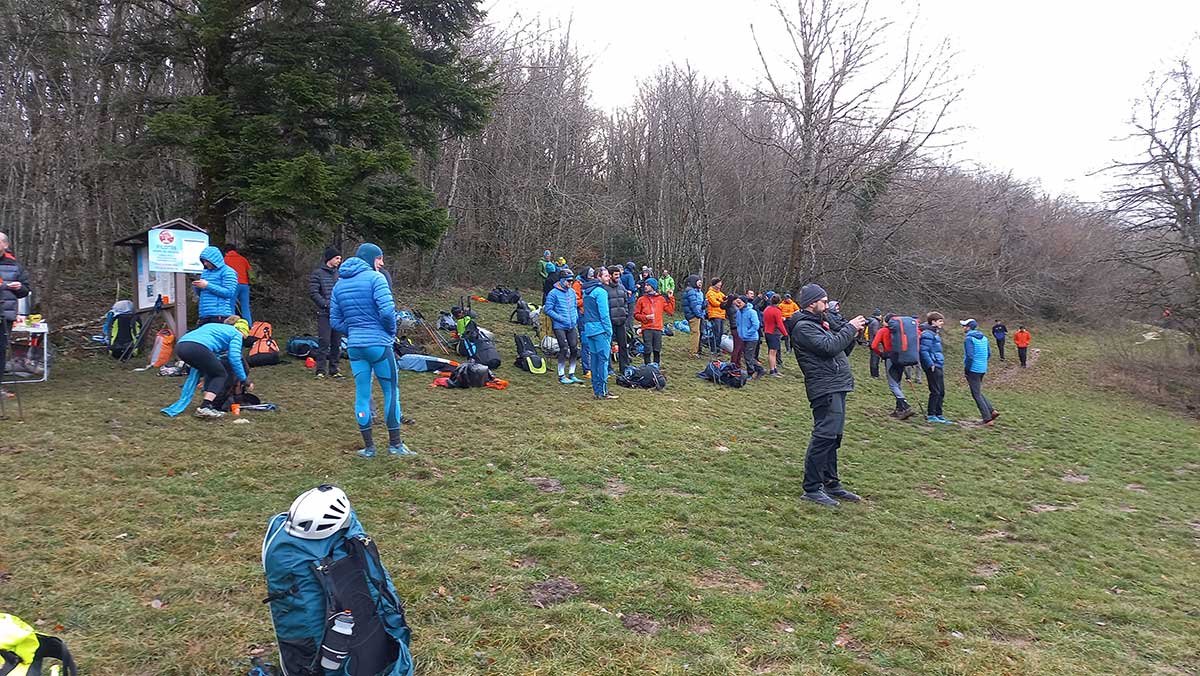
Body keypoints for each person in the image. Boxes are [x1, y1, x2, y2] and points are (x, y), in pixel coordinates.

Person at [330, 243, 413, 458]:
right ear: (370, 259)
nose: (382, 263)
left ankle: (369, 448)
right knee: (391, 392)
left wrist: (355, 331)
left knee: (362, 394)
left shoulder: (339, 284)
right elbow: (387, 312)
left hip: (355, 348)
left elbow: (335, 321)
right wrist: (389, 331)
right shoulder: (377, 279)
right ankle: (395, 445)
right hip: (379, 345)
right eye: (379, 258)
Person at [790, 283, 868, 507]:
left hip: (836, 385)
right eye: (823, 301)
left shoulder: (820, 324)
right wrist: (849, 328)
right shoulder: (803, 327)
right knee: (824, 436)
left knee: (834, 437)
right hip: (824, 387)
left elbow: (840, 350)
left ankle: (831, 482)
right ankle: (812, 488)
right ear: (811, 303)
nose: (827, 305)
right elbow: (828, 347)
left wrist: (853, 335)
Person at [173, 316, 253, 418]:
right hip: (198, 347)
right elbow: (235, 358)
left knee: (212, 372)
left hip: (181, 346)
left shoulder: (214, 327)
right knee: (220, 374)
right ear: (243, 332)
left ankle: (209, 403)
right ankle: (205, 407)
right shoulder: (236, 333)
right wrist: (244, 380)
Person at [0, 232, 31, 399]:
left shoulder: (15, 265)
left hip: (5, 315)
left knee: (0, 351)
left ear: (5, 245)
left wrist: (19, 287)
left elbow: (25, 291)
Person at [870, 313, 915, 420]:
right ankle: (899, 410)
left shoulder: (883, 331)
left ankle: (905, 405)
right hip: (901, 358)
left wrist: (881, 354)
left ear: (886, 321)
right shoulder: (901, 331)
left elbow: (874, 345)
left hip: (890, 358)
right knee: (898, 383)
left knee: (893, 385)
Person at [308, 246, 344, 379]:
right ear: (330, 258)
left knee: (336, 343)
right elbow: (313, 292)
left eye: (340, 258)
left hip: (338, 314)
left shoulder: (340, 274)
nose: (339, 261)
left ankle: (334, 369)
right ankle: (321, 370)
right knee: (324, 342)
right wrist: (325, 304)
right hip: (324, 313)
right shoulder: (317, 273)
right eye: (337, 258)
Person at [582, 267, 617, 400]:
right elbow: (604, 314)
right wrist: (609, 330)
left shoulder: (586, 292)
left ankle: (597, 390)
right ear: (598, 277)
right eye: (606, 276)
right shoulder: (601, 292)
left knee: (595, 361)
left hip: (589, 329)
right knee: (603, 361)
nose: (609, 278)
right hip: (600, 330)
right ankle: (603, 391)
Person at [544, 268, 582, 384]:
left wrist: (575, 317)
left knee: (574, 349)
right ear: (562, 280)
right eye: (568, 281)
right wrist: (560, 318)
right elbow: (548, 309)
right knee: (564, 348)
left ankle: (572, 373)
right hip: (559, 326)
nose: (570, 283)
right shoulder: (553, 293)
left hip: (572, 325)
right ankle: (561, 375)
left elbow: (574, 306)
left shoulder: (572, 292)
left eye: (571, 281)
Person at [962, 318, 999, 425]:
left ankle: (987, 419)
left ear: (969, 327)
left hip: (973, 369)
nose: (963, 328)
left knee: (976, 394)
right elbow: (989, 353)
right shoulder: (984, 338)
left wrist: (967, 368)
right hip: (982, 368)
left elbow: (969, 356)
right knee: (978, 391)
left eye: (964, 326)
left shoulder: (968, 339)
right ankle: (991, 411)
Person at [919, 312, 953, 424]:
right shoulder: (927, 334)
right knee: (935, 390)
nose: (942, 323)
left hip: (938, 364)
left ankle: (939, 414)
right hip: (933, 365)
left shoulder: (935, 333)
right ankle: (931, 414)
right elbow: (923, 350)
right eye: (940, 321)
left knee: (941, 391)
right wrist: (930, 364)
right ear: (933, 322)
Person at [193, 245, 239, 326]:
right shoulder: (205, 272)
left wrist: (207, 285)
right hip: (204, 314)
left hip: (220, 315)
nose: (205, 263)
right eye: (203, 261)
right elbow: (202, 294)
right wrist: (197, 287)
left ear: (214, 260)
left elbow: (229, 293)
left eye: (207, 261)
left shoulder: (228, 272)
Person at [633, 278, 675, 366]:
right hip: (646, 328)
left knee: (657, 349)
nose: (645, 286)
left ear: (653, 286)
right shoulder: (641, 299)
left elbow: (670, 311)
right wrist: (645, 317)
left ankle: (656, 367)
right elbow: (636, 315)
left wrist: (671, 298)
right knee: (647, 349)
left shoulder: (661, 299)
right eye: (645, 285)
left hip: (658, 328)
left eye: (648, 285)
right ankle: (647, 367)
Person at [606, 265, 631, 372]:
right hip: (609, 322)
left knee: (623, 345)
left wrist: (625, 314)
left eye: (619, 274)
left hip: (621, 321)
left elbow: (625, 302)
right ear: (610, 275)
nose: (618, 276)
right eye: (615, 274)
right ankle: (608, 368)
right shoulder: (604, 289)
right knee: (608, 345)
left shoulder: (621, 287)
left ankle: (624, 367)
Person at [733, 296, 765, 378]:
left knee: (748, 356)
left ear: (744, 303)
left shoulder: (752, 312)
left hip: (752, 338)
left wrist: (747, 333)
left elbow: (756, 325)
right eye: (737, 302)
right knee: (747, 356)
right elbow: (738, 323)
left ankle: (751, 372)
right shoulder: (738, 312)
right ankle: (759, 369)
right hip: (743, 337)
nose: (738, 304)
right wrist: (740, 333)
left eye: (739, 302)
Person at [223, 244, 253, 325]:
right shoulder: (243, 259)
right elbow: (250, 272)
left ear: (226, 252)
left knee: (230, 306)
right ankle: (248, 326)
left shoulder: (224, 260)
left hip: (232, 285)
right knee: (245, 307)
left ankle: (232, 326)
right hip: (245, 285)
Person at [763, 294, 788, 377]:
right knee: (773, 352)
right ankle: (772, 370)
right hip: (774, 333)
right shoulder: (777, 311)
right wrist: (785, 334)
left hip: (767, 331)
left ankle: (775, 369)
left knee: (772, 352)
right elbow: (780, 324)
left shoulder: (767, 309)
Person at [682, 274, 705, 358]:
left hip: (698, 314)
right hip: (694, 315)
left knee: (698, 333)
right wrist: (699, 314)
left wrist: (704, 306)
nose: (700, 284)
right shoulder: (691, 292)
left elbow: (699, 304)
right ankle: (693, 352)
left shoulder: (698, 292)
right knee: (695, 333)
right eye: (698, 282)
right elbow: (694, 305)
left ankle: (696, 350)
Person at [705, 278, 727, 356]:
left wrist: (720, 300)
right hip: (714, 315)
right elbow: (714, 303)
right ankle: (713, 349)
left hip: (722, 315)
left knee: (720, 333)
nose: (720, 284)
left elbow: (725, 301)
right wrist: (721, 302)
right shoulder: (710, 293)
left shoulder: (720, 293)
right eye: (719, 283)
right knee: (716, 332)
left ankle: (717, 348)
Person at [865, 309, 882, 378]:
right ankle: (875, 374)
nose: (881, 316)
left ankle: (873, 373)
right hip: (875, 343)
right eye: (880, 315)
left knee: (873, 358)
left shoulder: (872, 321)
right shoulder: (875, 322)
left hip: (871, 342)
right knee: (875, 359)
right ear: (877, 315)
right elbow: (876, 333)